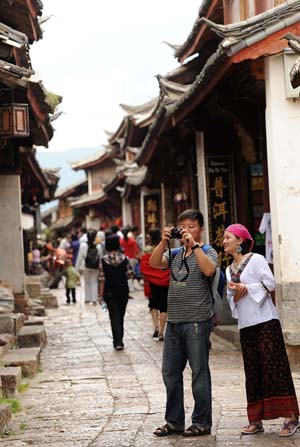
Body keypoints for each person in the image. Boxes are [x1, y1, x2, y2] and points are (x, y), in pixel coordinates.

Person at [223, 223, 299, 437]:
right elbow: (233, 300)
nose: (225, 241)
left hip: (266, 321)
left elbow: (271, 284)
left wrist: (248, 288)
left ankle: (291, 417)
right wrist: (238, 293)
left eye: (229, 237)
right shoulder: (228, 271)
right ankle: (255, 420)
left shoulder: (256, 260)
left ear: (240, 241)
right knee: (253, 370)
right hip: (246, 324)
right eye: (224, 238)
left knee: (274, 367)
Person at [150, 209, 217, 437]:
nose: (187, 230)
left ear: (201, 229)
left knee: (199, 372)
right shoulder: (176, 252)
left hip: (197, 321)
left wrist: (194, 246)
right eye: (183, 227)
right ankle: (174, 421)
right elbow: (154, 263)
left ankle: (201, 422)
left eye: (191, 226)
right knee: (170, 373)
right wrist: (163, 241)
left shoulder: (207, 251)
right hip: (174, 322)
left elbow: (209, 270)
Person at [98, 235, 132, 350]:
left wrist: (100, 295)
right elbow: (129, 275)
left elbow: (102, 279)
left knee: (114, 316)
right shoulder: (124, 258)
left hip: (109, 292)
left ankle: (117, 342)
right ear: (118, 245)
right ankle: (120, 340)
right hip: (123, 291)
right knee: (121, 316)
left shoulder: (103, 260)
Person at [140, 228, 169, 341]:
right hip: (165, 282)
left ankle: (156, 327)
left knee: (153, 304)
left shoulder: (146, 250)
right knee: (163, 306)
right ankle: (161, 331)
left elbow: (144, 266)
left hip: (152, 283)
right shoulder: (165, 249)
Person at [75, 229, 103, 304]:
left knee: (87, 282)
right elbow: (101, 257)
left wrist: (76, 269)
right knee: (94, 282)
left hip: (85, 266)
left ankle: (87, 298)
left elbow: (79, 257)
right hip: (95, 266)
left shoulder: (83, 245)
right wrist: (102, 267)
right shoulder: (99, 246)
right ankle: (94, 299)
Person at [120, 228, 140, 294]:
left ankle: (127, 287)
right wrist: (138, 256)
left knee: (124, 274)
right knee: (131, 273)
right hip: (132, 258)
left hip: (123, 258)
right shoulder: (132, 240)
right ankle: (131, 288)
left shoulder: (120, 241)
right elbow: (136, 250)